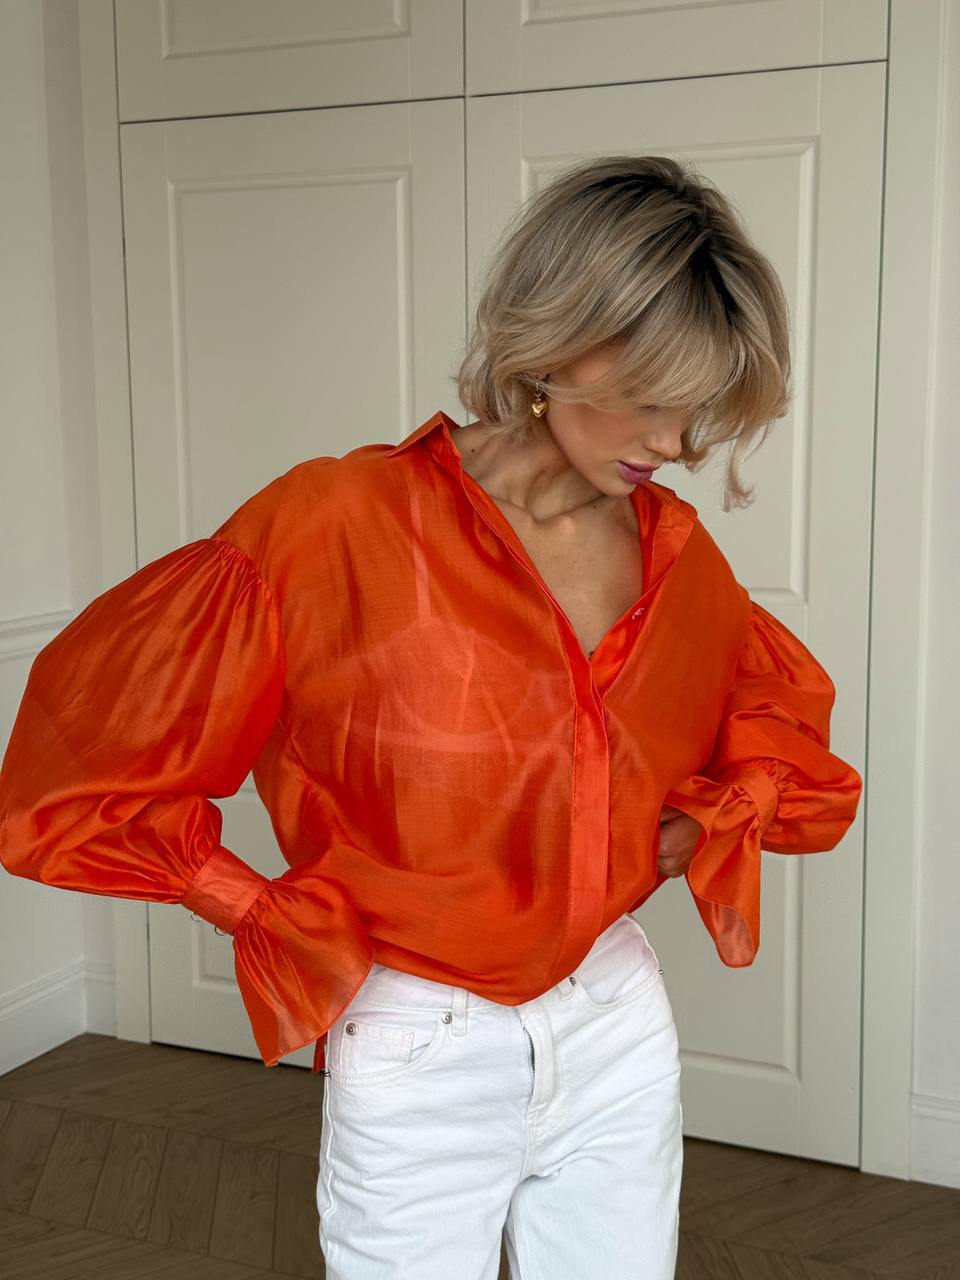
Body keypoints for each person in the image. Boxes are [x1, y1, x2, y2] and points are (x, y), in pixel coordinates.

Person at [0, 154, 863, 1279]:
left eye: (699, 404)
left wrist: (718, 814)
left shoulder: (679, 559)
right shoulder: (337, 523)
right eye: (652, 393)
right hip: (418, 1035)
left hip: (613, 1013)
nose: (676, 438)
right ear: (555, 340)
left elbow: (771, 717)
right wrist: (251, 903)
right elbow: (83, 761)